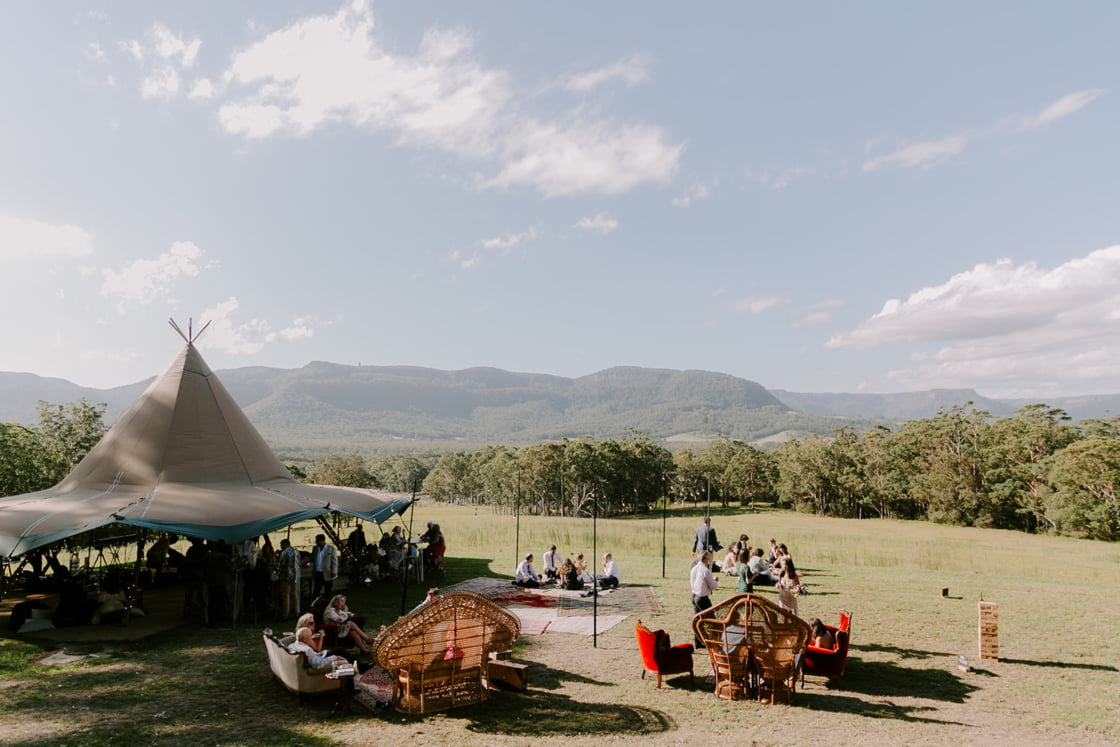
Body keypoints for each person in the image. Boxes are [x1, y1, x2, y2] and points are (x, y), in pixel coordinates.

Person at [689, 551, 718, 647]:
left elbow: (692, 583)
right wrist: (716, 581)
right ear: (705, 559)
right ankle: (714, 640)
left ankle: (698, 642)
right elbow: (712, 586)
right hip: (702, 597)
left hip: (694, 595)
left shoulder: (694, 568)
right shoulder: (706, 570)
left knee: (697, 621)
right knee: (711, 619)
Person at [276, 538, 300, 620]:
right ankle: (296, 612)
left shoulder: (284, 553)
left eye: (281, 544)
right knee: (295, 594)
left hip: (286, 576)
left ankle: (285, 614)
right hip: (295, 576)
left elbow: (280, 564)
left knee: (286, 596)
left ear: (285, 544)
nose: (280, 546)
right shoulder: (296, 551)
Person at [311, 534, 338, 600]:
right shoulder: (315, 549)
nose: (317, 543)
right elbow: (311, 558)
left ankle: (327, 603)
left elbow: (334, 561)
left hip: (327, 572)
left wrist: (334, 571)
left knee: (328, 591)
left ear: (323, 541)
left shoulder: (331, 548)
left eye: (318, 541)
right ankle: (315, 603)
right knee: (316, 590)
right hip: (318, 572)